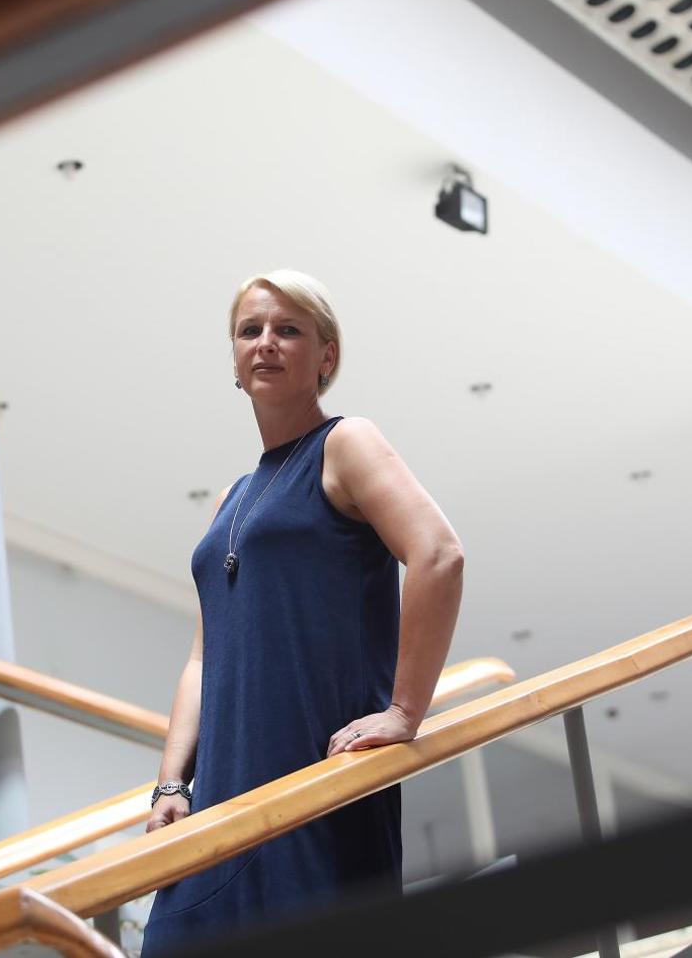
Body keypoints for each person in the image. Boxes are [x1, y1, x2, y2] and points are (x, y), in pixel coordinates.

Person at [139, 269, 465, 955]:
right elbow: (203, 656)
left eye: (288, 330)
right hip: (219, 808)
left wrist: (405, 712)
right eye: (250, 330)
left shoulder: (345, 444)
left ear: (326, 356)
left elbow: (437, 554)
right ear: (234, 357)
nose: (266, 342)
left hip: (315, 793)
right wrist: (171, 782)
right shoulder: (230, 499)